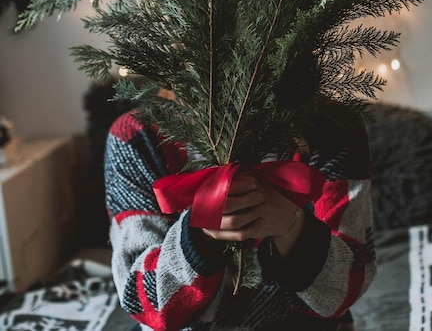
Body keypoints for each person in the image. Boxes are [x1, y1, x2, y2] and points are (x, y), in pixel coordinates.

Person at [104, 101, 376, 330]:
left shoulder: (332, 126)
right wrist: (198, 236)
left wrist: (291, 226)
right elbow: (143, 300)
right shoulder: (136, 134)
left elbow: (344, 288)